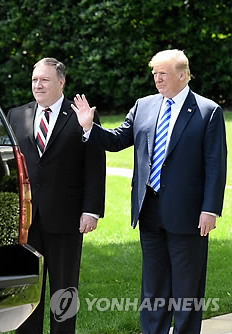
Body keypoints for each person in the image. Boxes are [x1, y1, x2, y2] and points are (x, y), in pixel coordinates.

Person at [72, 49, 227, 334]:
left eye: (163, 73)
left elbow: (215, 165)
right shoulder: (144, 105)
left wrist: (210, 209)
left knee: (187, 288)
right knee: (153, 286)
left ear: (183, 75)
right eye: (154, 73)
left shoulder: (208, 111)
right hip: (149, 210)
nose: (157, 79)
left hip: (189, 214)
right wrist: (90, 127)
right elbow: (118, 139)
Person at [7, 57, 106, 334]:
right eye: (35, 80)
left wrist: (91, 210)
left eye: (44, 80)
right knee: (28, 288)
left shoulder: (81, 115)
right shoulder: (16, 115)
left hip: (67, 218)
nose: (38, 85)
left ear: (61, 82)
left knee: (64, 290)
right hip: (27, 220)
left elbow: (95, 165)